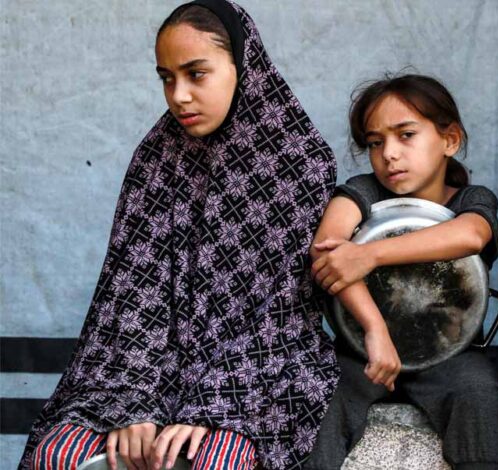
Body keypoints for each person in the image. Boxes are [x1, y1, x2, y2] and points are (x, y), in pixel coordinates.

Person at [20, 1, 340, 469]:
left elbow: (279, 315)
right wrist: (132, 403)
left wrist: (213, 405)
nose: (180, 96)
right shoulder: (156, 159)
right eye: (167, 78)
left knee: (217, 461)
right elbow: (133, 292)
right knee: (58, 454)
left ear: (243, 65)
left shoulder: (300, 163)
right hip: (148, 368)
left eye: (196, 74)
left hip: (261, 374)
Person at [303, 73, 498, 470]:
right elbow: (326, 248)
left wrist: (369, 255)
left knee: (479, 391)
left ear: (450, 140)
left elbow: (471, 235)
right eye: (375, 142)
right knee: (319, 397)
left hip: (451, 354)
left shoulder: (471, 200)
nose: (389, 154)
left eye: (406, 135)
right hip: (361, 352)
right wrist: (374, 328)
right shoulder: (362, 192)